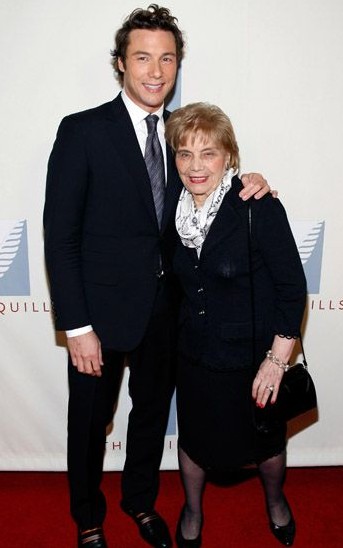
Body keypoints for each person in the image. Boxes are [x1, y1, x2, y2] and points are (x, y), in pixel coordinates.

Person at [43, 6, 271, 548]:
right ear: (121, 63)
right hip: (97, 318)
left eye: (167, 58)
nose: (155, 70)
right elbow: (61, 236)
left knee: (149, 416)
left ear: (177, 65)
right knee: (88, 424)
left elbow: (208, 183)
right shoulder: (83, 131)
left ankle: (140, 502)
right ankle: (88, 517)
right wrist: (76, 326)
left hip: (165, 314)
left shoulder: (179, 133)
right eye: (143, 57)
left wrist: (250, 182)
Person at [165, 102, 307, 547]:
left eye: (208, 153)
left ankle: (276, 503)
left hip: (251, 358)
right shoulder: (172, 209)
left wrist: (277, 360)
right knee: (194, 443)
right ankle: (192, 512)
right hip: (194, 356)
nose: (195, 165)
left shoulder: (254, 206)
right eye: (184, 153)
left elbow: (291, 287)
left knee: (265, 447)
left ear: (230, 156)